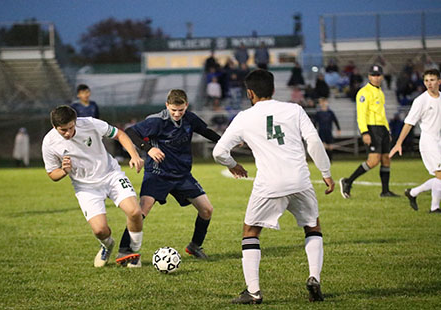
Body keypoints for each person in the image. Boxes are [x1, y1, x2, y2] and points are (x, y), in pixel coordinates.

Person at [213, 69, 334, 304]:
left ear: (250, 93)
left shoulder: (244, 117)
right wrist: (326, 173)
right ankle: (314, 277)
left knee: (251, 232)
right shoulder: (294, 109)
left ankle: (254, 292)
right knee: (312, 226)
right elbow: (314, 141)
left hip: (269, 183)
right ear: (274, 90)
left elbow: (218, 152)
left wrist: (234, 164)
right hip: (300, 179)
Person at [116, 89, 221, 266]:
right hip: (158, 174)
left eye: (181, 110)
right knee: (143, 209)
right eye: (173, 110)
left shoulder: (190, 118)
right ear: (167, 106)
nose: (177, 114)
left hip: (181, 175)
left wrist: (226, 141)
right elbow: (131, 132)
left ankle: (195, 246)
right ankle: (124, 250)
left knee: (207, 210)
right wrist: (148, 148)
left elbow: (206, 131)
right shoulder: (157, 121)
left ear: (186, 105)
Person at [41, 105, 144, 267]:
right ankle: (107, 246)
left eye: (71, 127)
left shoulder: (89, 123)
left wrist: (134, 155)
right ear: (54, 127)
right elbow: (52, 174)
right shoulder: (49, 142)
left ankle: (133, 252)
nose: (68, 133)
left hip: (111, 175)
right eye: (63, 130)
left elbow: (119, 134)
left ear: (75, 121)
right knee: (100, 231)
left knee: (135, 211)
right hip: (86, 188)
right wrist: (64, 171)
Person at [339, 65, 399, 199]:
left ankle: (385, 191)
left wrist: (387, 131)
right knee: (373, 161)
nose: (376, 78)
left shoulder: (380, 92)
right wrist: (365, 132)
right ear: (369, 76)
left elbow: (382, 114)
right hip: (372, 129)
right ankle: (348, 181)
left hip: (382, 129)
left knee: (386, 160)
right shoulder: (364, 92)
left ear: (382, 76)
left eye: (378, 75)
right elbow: (361, 114)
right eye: (373, 75)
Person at [389, 69, 441, 213]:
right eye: (426, 81)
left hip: (439, 140)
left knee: (439, 177)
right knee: (440, 175)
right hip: (428, 142)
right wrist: (398, 143)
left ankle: (417, 195)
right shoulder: (421, 101)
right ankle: (428, 203)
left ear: (439, 81)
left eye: (432, 80)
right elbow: (409, 123)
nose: (429, 83)